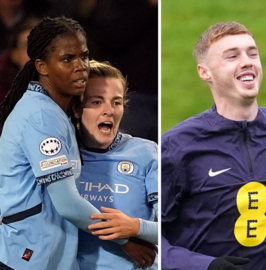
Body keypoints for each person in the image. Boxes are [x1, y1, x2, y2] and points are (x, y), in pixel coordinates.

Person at [161, 22, 266, 270]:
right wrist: (204, 266)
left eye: (252, 53)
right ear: (205, 72)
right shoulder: (177, 146)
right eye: (232, 56)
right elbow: (151, 232)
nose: (247, 62)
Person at [0, 17, 153, 270]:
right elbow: (68, 204)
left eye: (83, 56)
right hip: (25, 256)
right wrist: (126, 239)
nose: (80, 66)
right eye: (67, 59)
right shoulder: (42, 116)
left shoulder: (55, 113)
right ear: (42, 66)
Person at [72, 60, 158, 270]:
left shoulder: (146, 153)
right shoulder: (61, 158)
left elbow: (176, 227)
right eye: (96, 102)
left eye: (116, 102)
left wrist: (135, 227)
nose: (109, 110)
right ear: (76, 108)